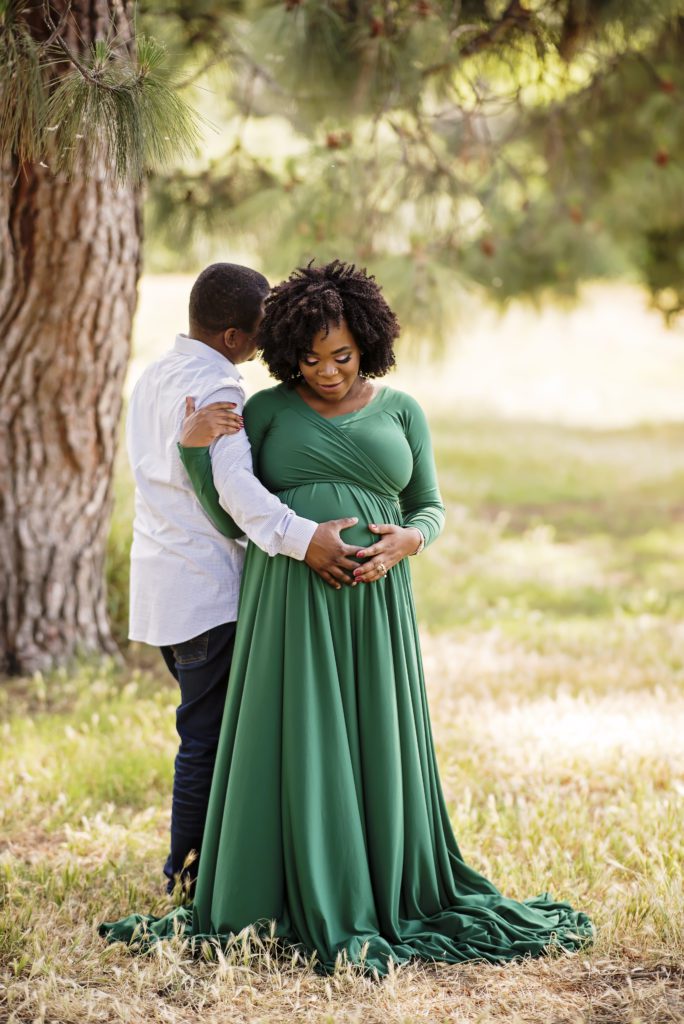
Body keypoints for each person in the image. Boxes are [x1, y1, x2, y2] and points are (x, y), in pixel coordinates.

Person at [103, 260, 592, 974]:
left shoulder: (403, 411)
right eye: (308, 357)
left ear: (367, 342)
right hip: (291, 598)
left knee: (372, 738)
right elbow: (229, 510)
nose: (327, 371)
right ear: (283, 349)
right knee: (291, 738)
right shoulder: (262, 409)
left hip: (376, 604)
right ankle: (264, 877)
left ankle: (383, 879)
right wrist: (198, 456)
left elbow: (431, 503)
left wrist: (411, 538)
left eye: (342, 356)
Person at [126, 262, 362, 897]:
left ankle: (220, 862)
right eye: (262, 328)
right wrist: (303, 537)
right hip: (207, 590)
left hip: (160, 589)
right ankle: (189, 874)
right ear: (234, 335)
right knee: (211, 739)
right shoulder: (220, 390)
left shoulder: (154, 375)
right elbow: (235, 491)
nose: (270, 340)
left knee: (210, 733)